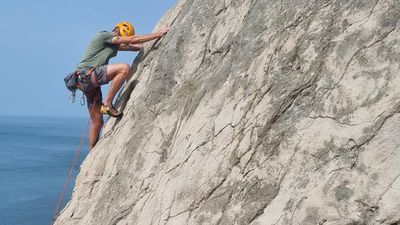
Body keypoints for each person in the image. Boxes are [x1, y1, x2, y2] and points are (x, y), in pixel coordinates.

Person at [74, 21, 169, 149]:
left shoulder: (113, 45)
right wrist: (159, 34)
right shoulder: (104, 35)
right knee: (124, 68)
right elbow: (132, 39)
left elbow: (136, 46)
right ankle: (108, 104)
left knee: (98, 122)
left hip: (86, 83)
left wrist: (146, 43)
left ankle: (91, 153)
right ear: (119, 32)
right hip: (88, 75)